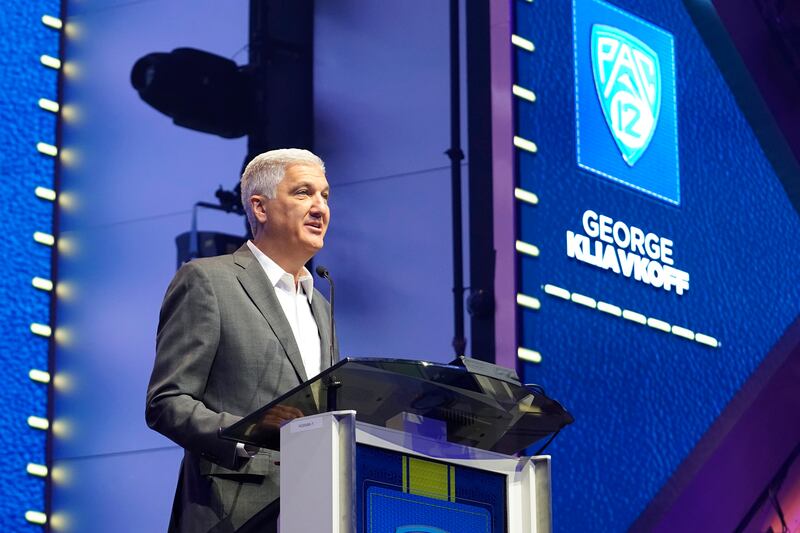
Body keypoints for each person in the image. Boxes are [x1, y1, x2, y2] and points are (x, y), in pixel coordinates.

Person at [146, 148, 337, 532]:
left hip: (315, 509)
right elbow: (166, 403)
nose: (319, 207)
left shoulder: (322, 303)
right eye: (303, 193)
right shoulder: (208, 281)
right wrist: (249, 432)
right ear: (260, 208)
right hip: (232, 513)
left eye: (325, 196)